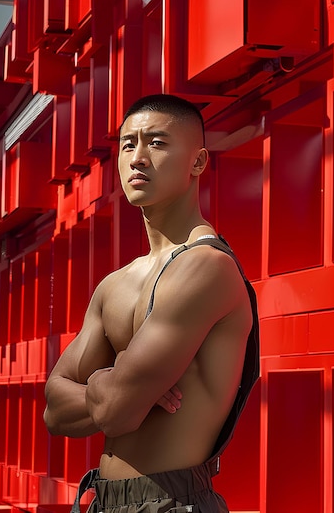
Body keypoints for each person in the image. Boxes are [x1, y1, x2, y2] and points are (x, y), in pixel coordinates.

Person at [43, 94, 259, 513]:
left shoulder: (206, 268)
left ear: (197, 163)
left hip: (173, 501)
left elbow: (119, 412)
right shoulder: (114, 284)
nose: (137, 158)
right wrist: (116, 381)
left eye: (156, 143)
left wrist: (106, 389)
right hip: (100, 501)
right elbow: (53, 411)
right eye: (128, 144)